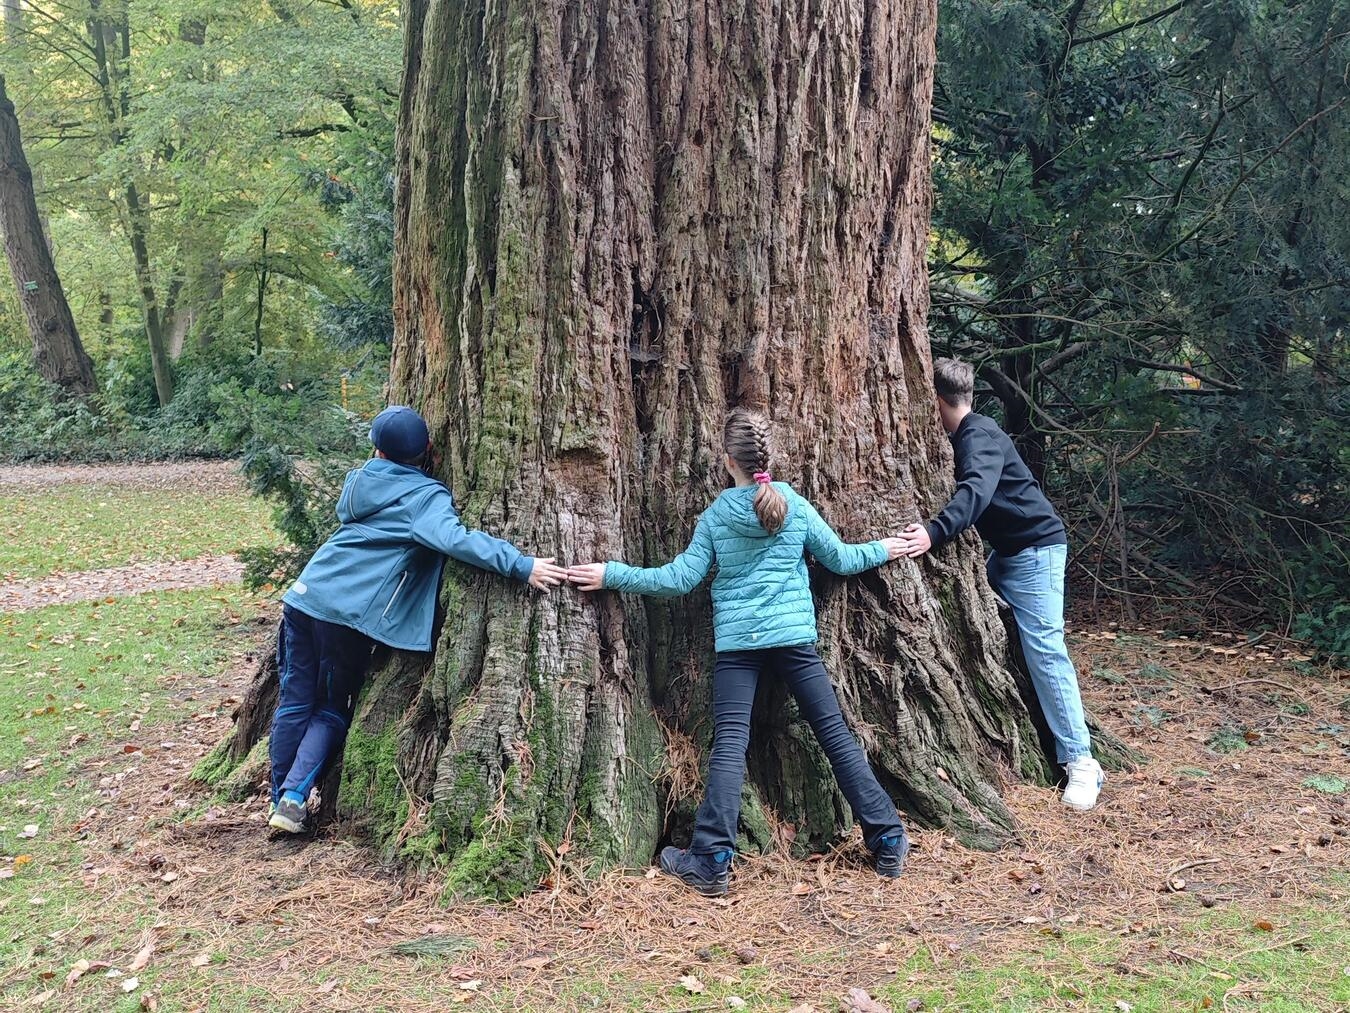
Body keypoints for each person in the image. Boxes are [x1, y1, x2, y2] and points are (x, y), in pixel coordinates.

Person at [567, 409, 911, 896]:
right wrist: (889, 546)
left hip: (739, 646)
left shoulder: (716, 516)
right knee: (834, 734)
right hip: (795, 640)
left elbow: (678, 579)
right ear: (768, 457)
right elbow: (842, 558)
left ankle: (710, 860)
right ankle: (889, 839)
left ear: (727, 460)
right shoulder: (793, 504)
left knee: (730, 745)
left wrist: (612, 574)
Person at [266, 405, 567, 833]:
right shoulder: (425, 497)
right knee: (332, 709)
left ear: (376, 449)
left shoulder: (359, 481)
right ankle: (292, 799)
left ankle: (279, 796)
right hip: (345, 615)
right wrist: (520, 565)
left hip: (305, 595)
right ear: (428, 449)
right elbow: (455, 539)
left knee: (295, 701)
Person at [896, 358, 1104, 810]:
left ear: (935, 403)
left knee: (1045, 649)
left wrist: (933, 531)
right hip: (1007, 555)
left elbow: (976, 491)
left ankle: (1082, 762)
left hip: (1035, 553)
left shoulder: (980, 435)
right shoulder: (966, 435)